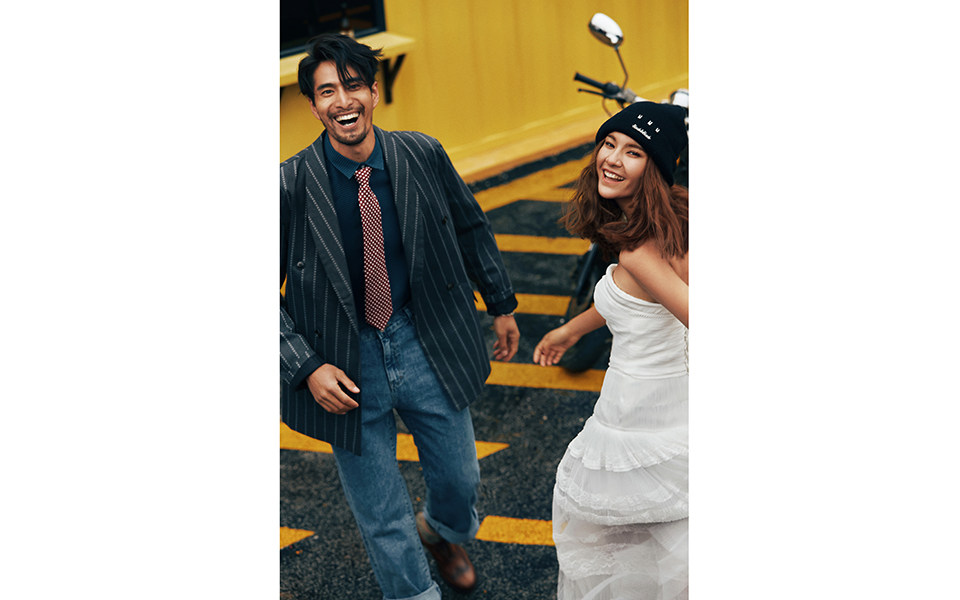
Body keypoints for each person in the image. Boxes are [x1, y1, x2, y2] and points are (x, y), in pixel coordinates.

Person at [279, 34, 521, 600]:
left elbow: (471, 226)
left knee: (461, 477)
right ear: (313, 106)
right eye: (327, 91)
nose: (343, 101)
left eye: (353, 85)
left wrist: (501, 303)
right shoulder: (288, 184)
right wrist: (306, 366)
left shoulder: (421, 153)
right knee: (381, 512)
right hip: (342, 359)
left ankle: (442, 533)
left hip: (422, 337)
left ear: (373, 92)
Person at [533, 101, 689, 600]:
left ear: (655, 169)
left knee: (614, 545)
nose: (613, 159)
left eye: (634, 152)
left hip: (639, 416)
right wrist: (570, 331)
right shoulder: (672, 223)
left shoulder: (640, 251)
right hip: (665, 407)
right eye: (609, 143)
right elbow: (635, 299)